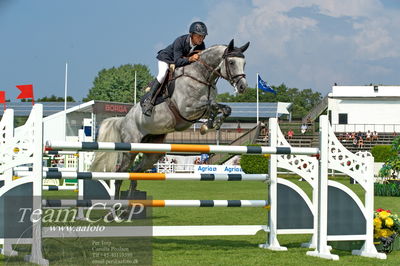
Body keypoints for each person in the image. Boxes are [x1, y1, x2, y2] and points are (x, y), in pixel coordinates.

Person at [142, 21, 208, 116]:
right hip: (167, 58)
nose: (201, 39)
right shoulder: (180, 41)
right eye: (198, 36)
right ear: (191, 35)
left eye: (203, 36)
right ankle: (148, 101)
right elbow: (177, 61)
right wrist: (190, 59)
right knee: (162, 74)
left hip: (181, 61)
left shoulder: (201, 46)